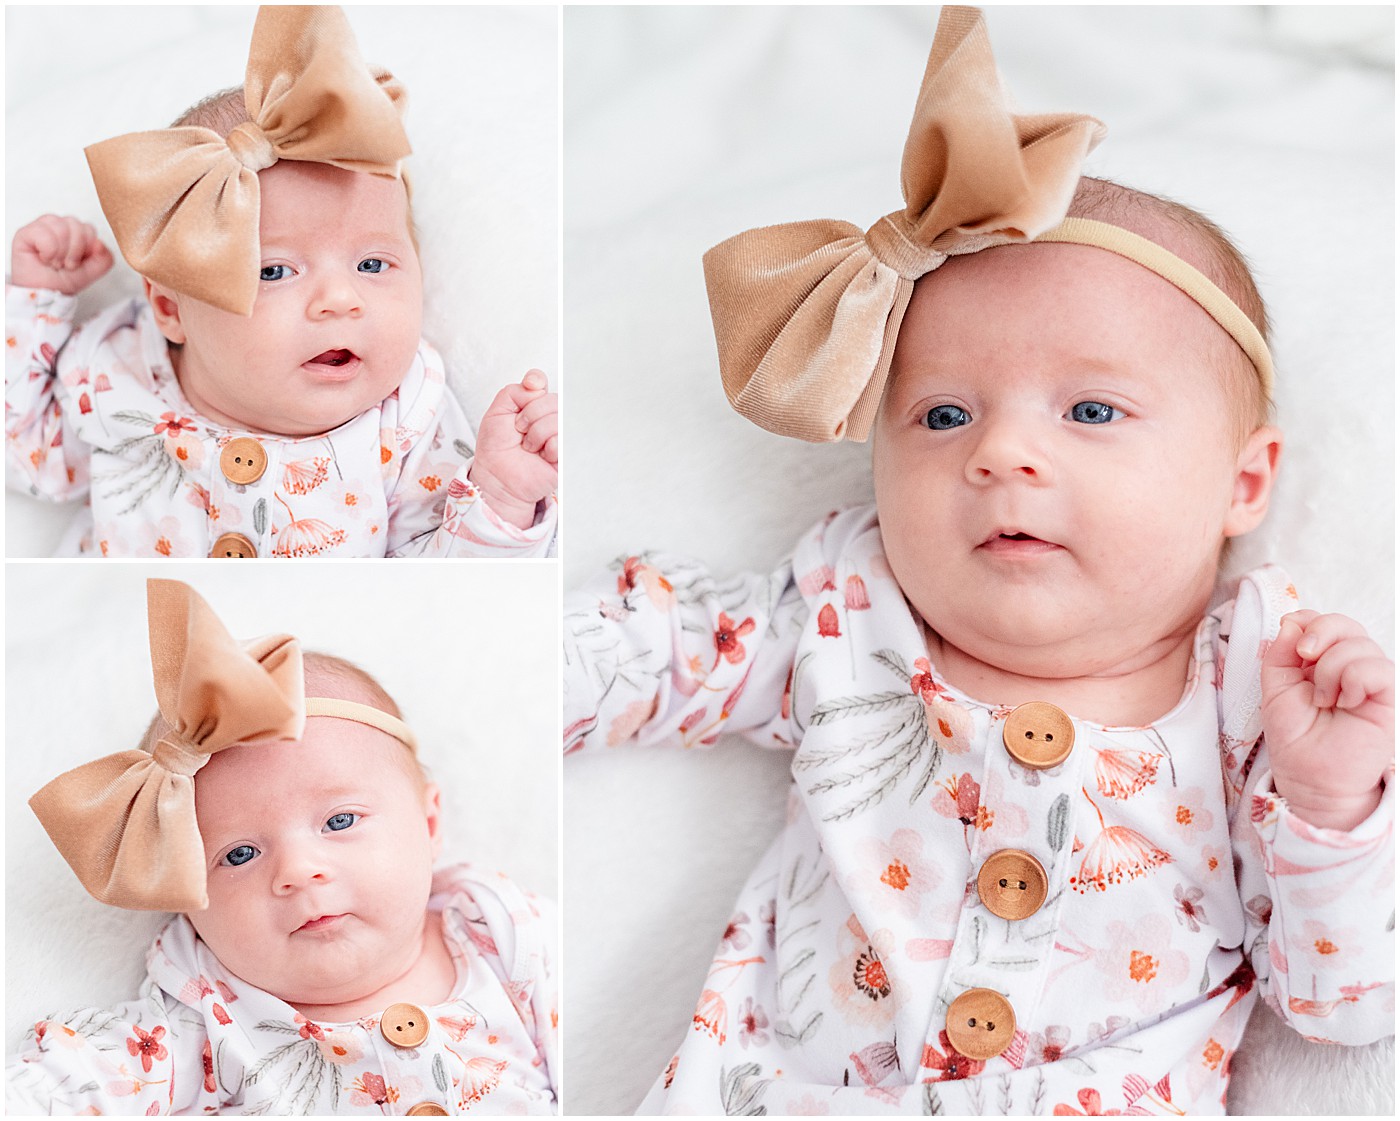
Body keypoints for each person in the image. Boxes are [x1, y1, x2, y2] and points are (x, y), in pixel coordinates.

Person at [562, 7, 1392, 1114]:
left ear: (1242, 482)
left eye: (1090, 409)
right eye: (943, 413)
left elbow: (1342, 1005)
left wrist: (1330, 802)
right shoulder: (848, 613)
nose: (1000, 451)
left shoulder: (1259, 686)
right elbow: (644, 649)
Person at [5, 6, 557, 558]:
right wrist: (36, 303)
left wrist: (502, 494)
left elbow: (440, 586)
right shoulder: (116, 366)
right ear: (172, 310)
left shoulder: (408, 414)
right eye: (273, 271)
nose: (341, 300)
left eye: (372, 265)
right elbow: (28, 456)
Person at [9, 579, 557, 1115]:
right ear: (183, 893)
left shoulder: (505, 940)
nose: (298, 871)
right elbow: (75, 1082)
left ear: (429, 823)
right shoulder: (203, 1026)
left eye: (339, 820)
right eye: (240, 855)